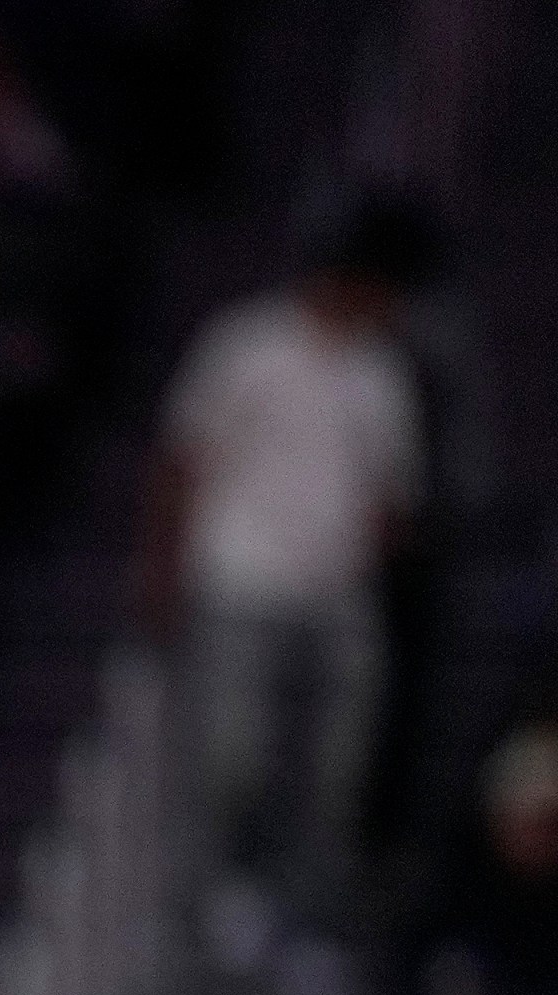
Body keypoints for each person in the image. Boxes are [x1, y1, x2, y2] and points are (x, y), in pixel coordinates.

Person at [151, 200, 427, 925]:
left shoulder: (381, 374)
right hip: (241, 574)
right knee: (231, 753)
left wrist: (361, 544)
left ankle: (307, 913)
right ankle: (212, 899)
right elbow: (184, 459)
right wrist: (161, 569)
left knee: (340, 766)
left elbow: (396, 497)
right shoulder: (246, 344)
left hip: (337, 592)